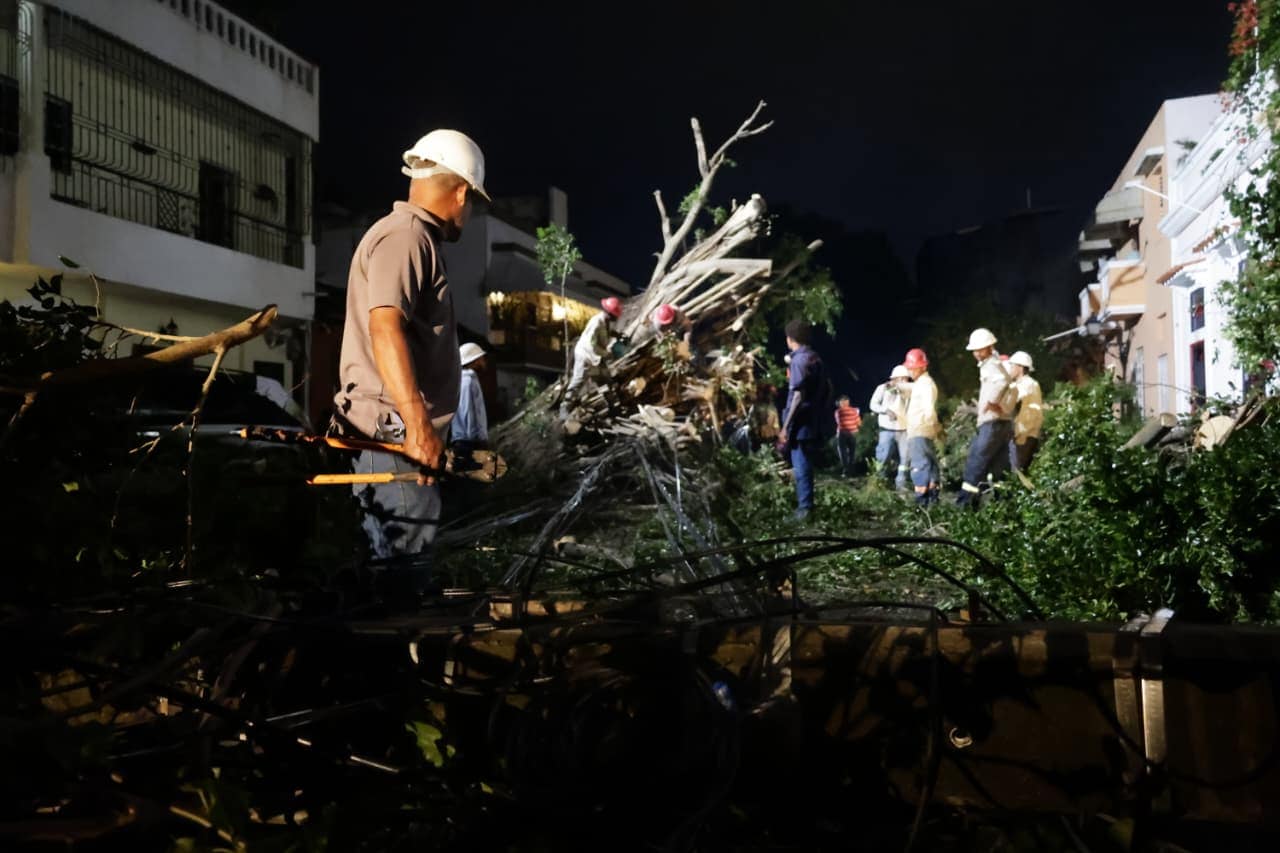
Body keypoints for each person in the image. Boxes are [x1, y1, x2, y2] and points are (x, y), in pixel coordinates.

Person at [330, 128, 490, 595]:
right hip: (395, 439)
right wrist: (418, 426)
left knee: (386, 583)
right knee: (398, 592)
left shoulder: (410, 238)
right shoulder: (406, 238)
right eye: (473, 201)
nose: (470, 211)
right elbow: (385, 327)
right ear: (461, 191)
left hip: (398, 442)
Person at [958, 327, 1018, 506]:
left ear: (990, 347)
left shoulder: (991, 364)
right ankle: (1005, 505)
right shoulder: (996, 362)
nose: (976, 353)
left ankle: (965, 506)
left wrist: (992, 402)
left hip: (992, 424)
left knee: (975, 462)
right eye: (974, 350)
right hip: (1002, 424)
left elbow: (1002, 381)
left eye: (979, 349)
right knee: (1000, 468)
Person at [779, 320, 827, 521]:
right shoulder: (813, 358)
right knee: (804, 462)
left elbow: (797, 396)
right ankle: (806, 506)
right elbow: (827, 388)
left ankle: (804, 509)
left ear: (790, 339)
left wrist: (786, 426)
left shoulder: (799, 362)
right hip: (812, 418)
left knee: (801, 465)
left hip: (800, 422)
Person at [562, 296, 622, 416]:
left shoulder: (605, 322)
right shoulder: (597, 323)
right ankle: (564, 408)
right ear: (610, 314)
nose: (616, 318)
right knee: (578, 381)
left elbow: (604, 334)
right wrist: (608, 354)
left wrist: (616, 335)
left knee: (606, 379)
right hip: (585, 355)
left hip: (596, 356)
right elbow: (592, 346)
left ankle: (613, 407)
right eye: (615, 316)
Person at [903, 347, 941, 506]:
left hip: (920, 430)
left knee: (919, 465)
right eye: (909, 368)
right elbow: (909, 388)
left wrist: (934, 426)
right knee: (930, 465)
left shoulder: (925, 385)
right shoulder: (922, 383)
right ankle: (932, 500)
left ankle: (921, 503)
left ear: (922, 366)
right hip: (924, 430)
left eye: (912, 368)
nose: (910, 371)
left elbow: (928, 409)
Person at [869, 365, 911, 490]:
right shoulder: (882, 389)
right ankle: (880, 482)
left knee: (905, 458)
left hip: (904, 429)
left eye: (906, 379)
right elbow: (873, 404)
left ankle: (901, 483)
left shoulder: (909, 390)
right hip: (886, 429)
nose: (904, 381)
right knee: (883, 457)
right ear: (894, 378)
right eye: (901, 379)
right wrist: (886, 411)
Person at [1006, 350, 1044, 472]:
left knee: (1018, 472)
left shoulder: (1027, 383)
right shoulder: (1026, 384)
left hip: (1025, 435)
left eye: (1012, 365)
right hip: (1024, 434)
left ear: (1020, 367)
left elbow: (1010, 403)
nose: (1010, 369)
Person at [451, 342, 489, 454]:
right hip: (470, 442)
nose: (484, 362)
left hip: (460, 440)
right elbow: (470, 411)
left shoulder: (458, 381)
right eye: (481, 358)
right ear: (475, 360)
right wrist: (479, 440)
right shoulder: (469, 381)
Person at [833, 396, 862, 477]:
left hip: (842, 433)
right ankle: (851, 470)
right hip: (853, 433)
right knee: (852, 453)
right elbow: (859, 423)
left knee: (843, 453)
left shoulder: (838, 412)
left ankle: (846, 470)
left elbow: (839, 422)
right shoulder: (855, 410)